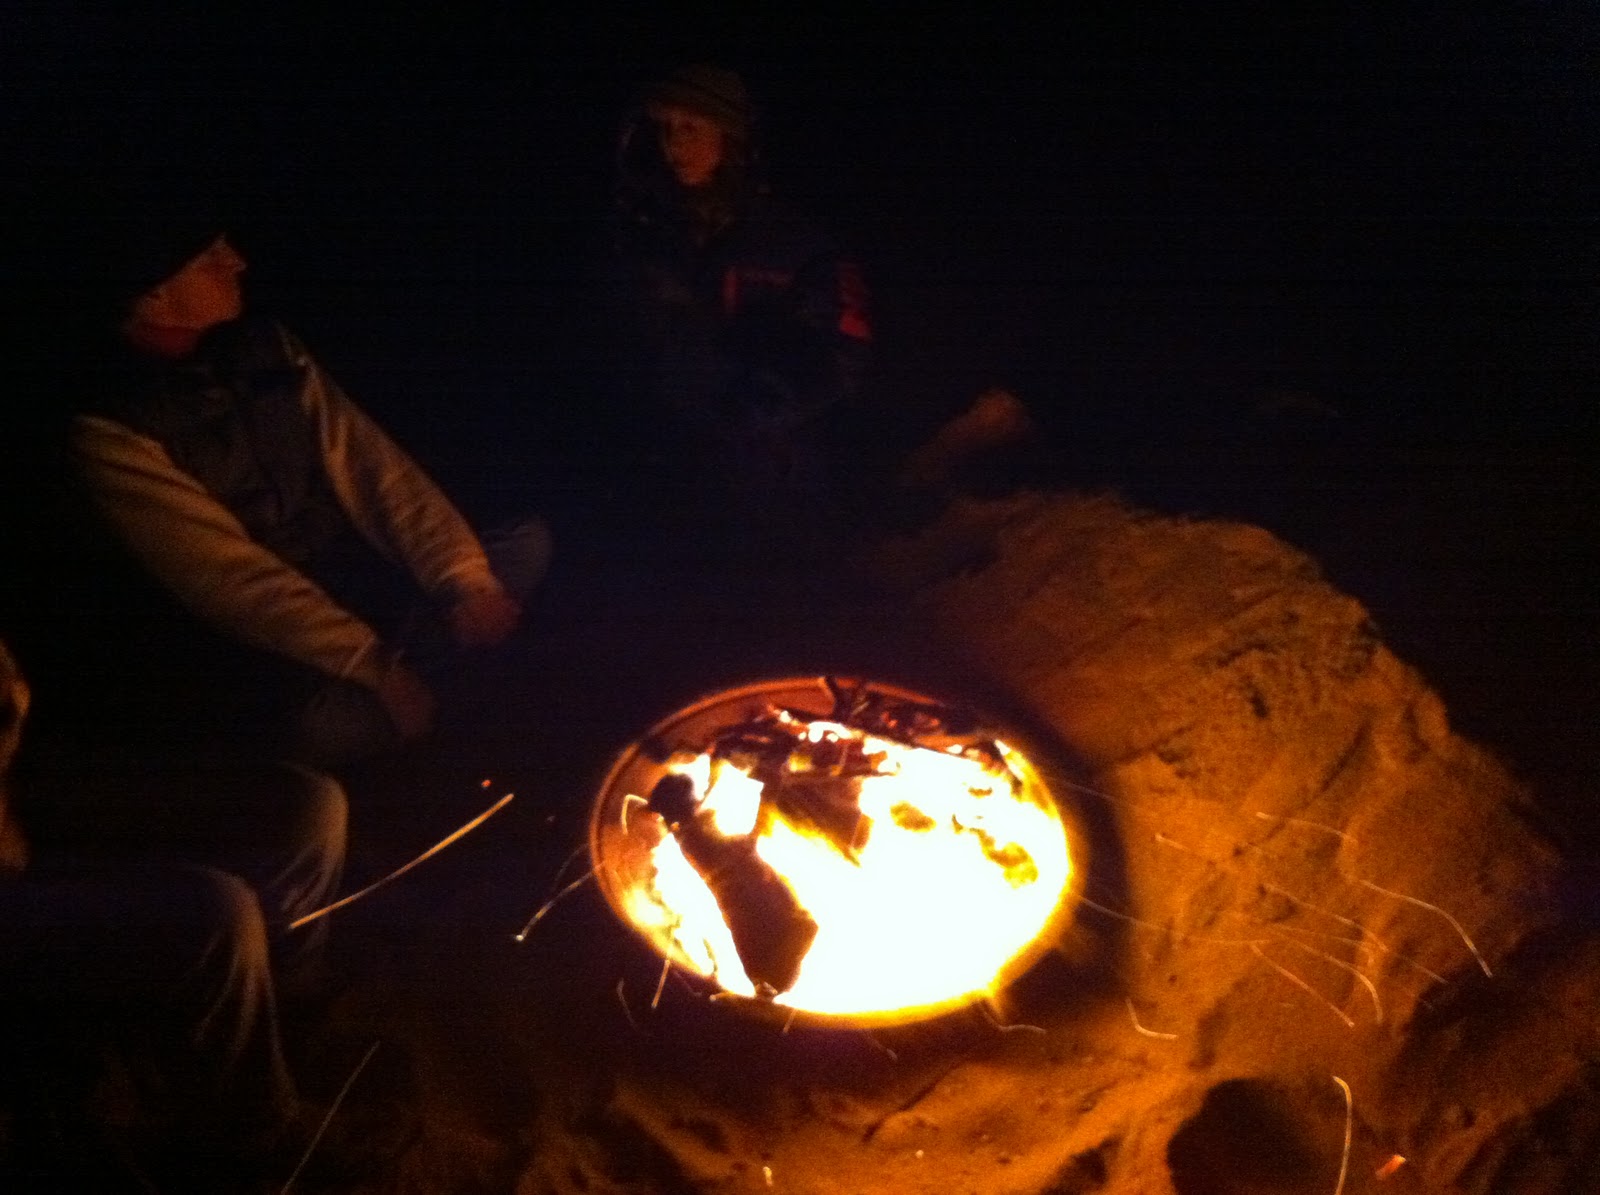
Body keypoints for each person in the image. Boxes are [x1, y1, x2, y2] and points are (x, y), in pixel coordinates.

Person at [70, 226, 552, 769]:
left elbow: (371, 468)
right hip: (300, 637)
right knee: (315, 729)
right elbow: (230, 579)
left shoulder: (264, 346)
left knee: (520, 542)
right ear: (154, 295)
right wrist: (374, 666)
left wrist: (461, 582)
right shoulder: (111, 429)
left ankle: (442, 675)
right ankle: (446, 683)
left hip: (364, 568)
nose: (237, 261)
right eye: (208, 257)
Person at [0, 634, 358, 1191]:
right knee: (211, 917)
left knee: (303, 811)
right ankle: (257, 1139)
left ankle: (274, 1036)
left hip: (21, 789)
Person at [605, 64, 873, 563]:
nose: (673, 145)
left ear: (730, 134)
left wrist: (769, 402)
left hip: (768, 464)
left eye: (691, 127)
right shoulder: (642, 237)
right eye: (662, 127)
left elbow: (842, 351)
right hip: (667, 462)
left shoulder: (794, 243)